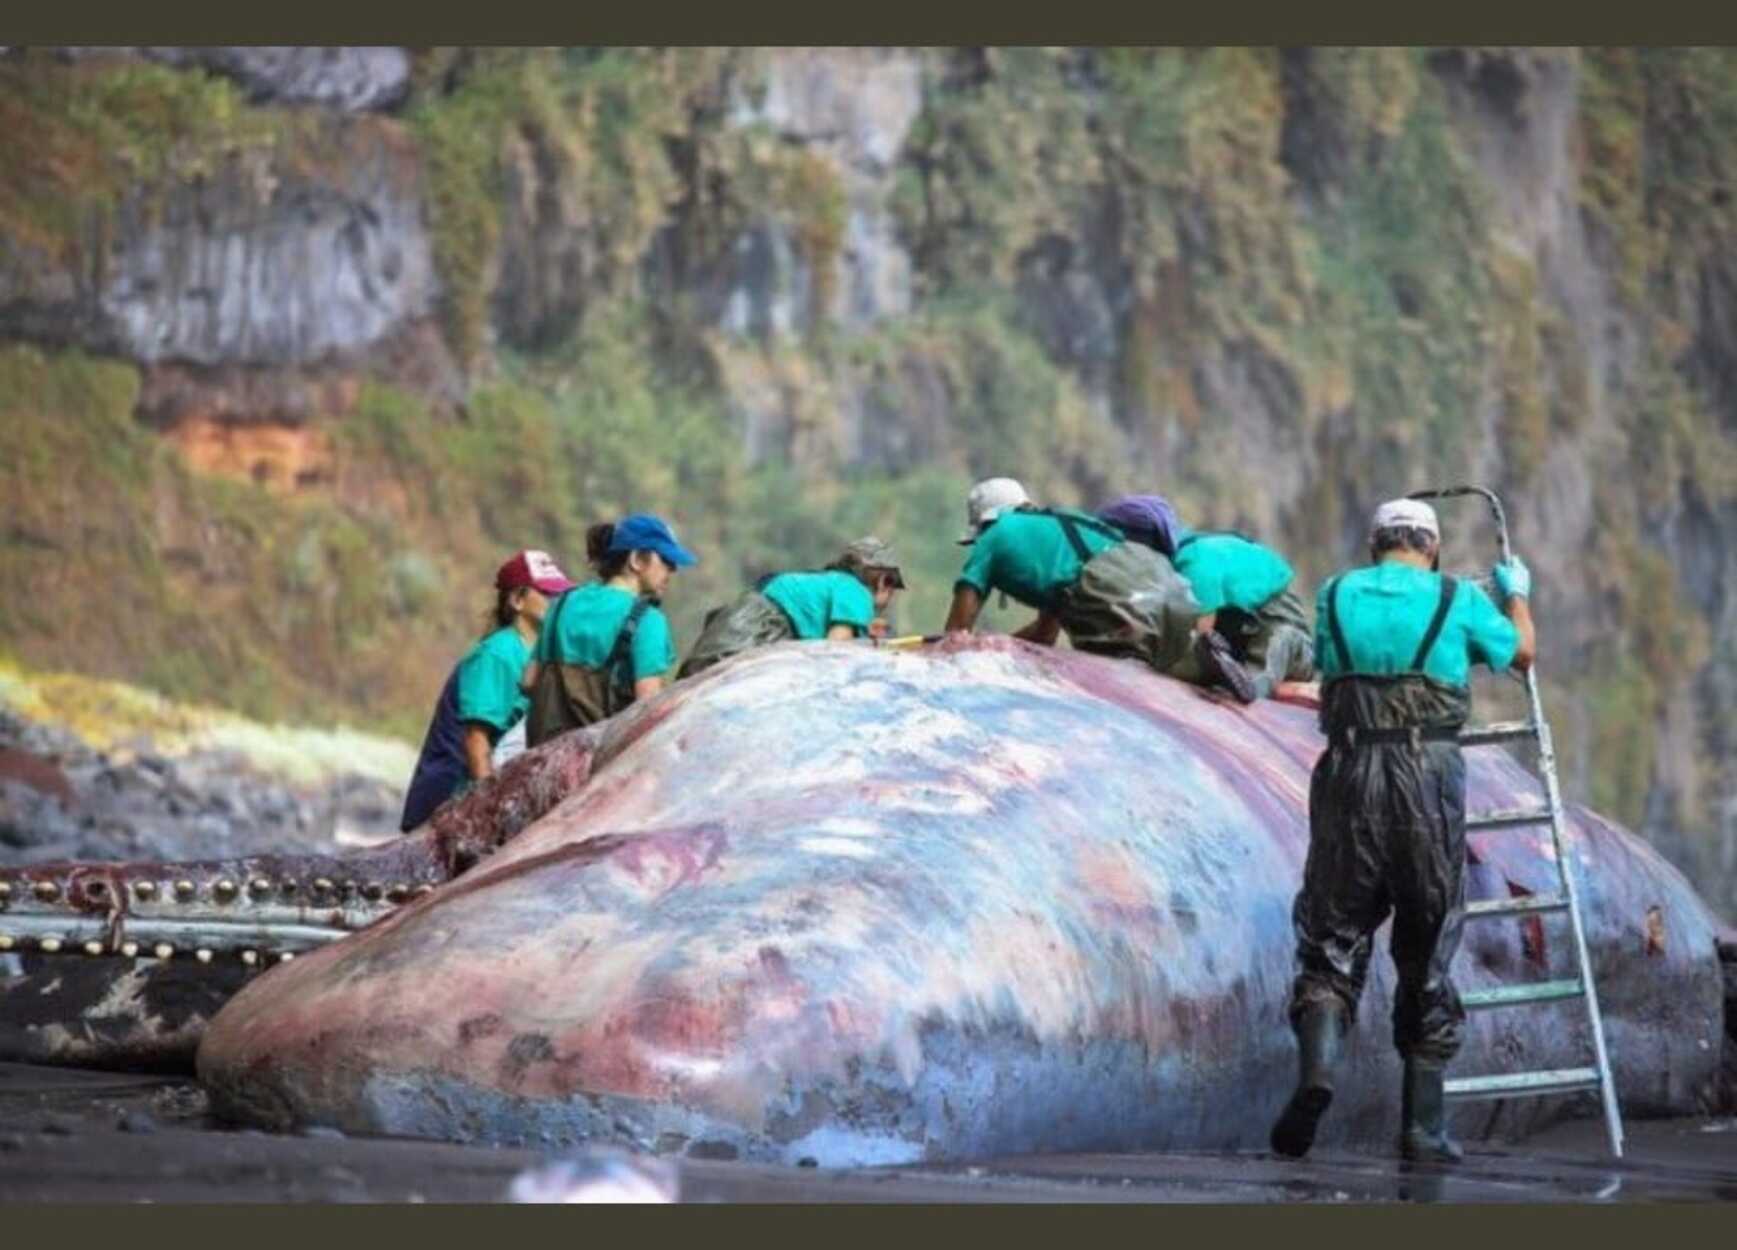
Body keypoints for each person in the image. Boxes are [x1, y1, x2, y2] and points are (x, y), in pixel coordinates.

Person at [1269, 497, 1536, 1164]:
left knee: (1330, 934)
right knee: (1426, 939)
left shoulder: (1333, 596)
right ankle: (1421, 1129)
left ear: (1374, 545)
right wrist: (1516, 596)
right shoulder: (1454, 598)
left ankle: (1317, 1073)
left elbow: (1324, 665)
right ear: (1432, 547)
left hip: (1348, 774)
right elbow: (1521, 654)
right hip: (1426, 778)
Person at [941, 478, 1236, 697]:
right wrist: (1000, 645)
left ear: (983, 523)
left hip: (1113, 593)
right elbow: (1045, 634)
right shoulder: (1059, 528)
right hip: (1164, 582)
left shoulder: (995, 535)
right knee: (1155, 660)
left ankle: (1191, 661)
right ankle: (1200, 659)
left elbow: (956, 635)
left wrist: (958, 649)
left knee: (1103, 649)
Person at [399, 550, 577, 832]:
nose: (556, 602)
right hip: (450, 803)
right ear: (517, 600)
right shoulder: (496, 654)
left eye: (559, 595)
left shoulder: (536, 654)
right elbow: (476, 739)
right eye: (547, 594)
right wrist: (490, 813)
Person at [1099, 494, 1316, 703]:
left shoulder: (1196, 561)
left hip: (1287, 638)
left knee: (1256, 672)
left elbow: (1201, 634)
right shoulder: (1181, 561)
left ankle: (1245, 686)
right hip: (1239, 636)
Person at [522, 514, 696, 746]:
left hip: (543, 755)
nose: (672, 570)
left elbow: (529, 681)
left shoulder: (563, 603)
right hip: (597, 767)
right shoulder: (647, 620)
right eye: (666, 560)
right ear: (637, 560)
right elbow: (649, 710)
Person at [678, 537, 907, 678]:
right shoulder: (856, 591)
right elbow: (836, 652)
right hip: (755, 630)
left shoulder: (830, 582)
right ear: (880, 580)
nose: (891, 593)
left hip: (738, 619)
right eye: (891, 583)